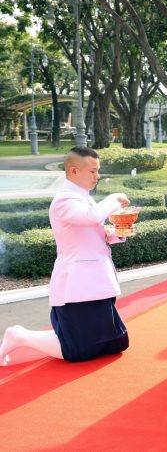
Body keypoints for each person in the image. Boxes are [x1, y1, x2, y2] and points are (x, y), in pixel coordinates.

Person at [0, 146, 131, 366]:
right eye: (92, 171)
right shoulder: (64, 200)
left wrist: (117, 234)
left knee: (117, 342)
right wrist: (114, 198)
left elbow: (92, 232)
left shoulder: (84, 198)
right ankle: (19, 336)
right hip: (77, 286)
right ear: (73, 171)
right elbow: (91, 217)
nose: (97, 176)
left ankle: (24, 335)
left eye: (98, 171)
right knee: (78, 351)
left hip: (98, 281)